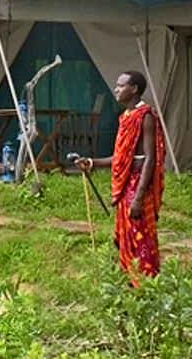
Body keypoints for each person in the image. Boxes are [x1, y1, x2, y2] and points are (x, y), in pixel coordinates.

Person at [77, 70, 164, 279]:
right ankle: (130, 280)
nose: (116, 89)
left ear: (134, 89)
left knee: (141, 234)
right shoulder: (125, 117)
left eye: (121, 85)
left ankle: (147, 283)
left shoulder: (146, 116)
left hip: (138, 185)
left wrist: (139, 197)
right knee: (127, 235)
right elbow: (121, 157)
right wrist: (92, 162)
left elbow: (150, 159)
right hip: (127, 186)